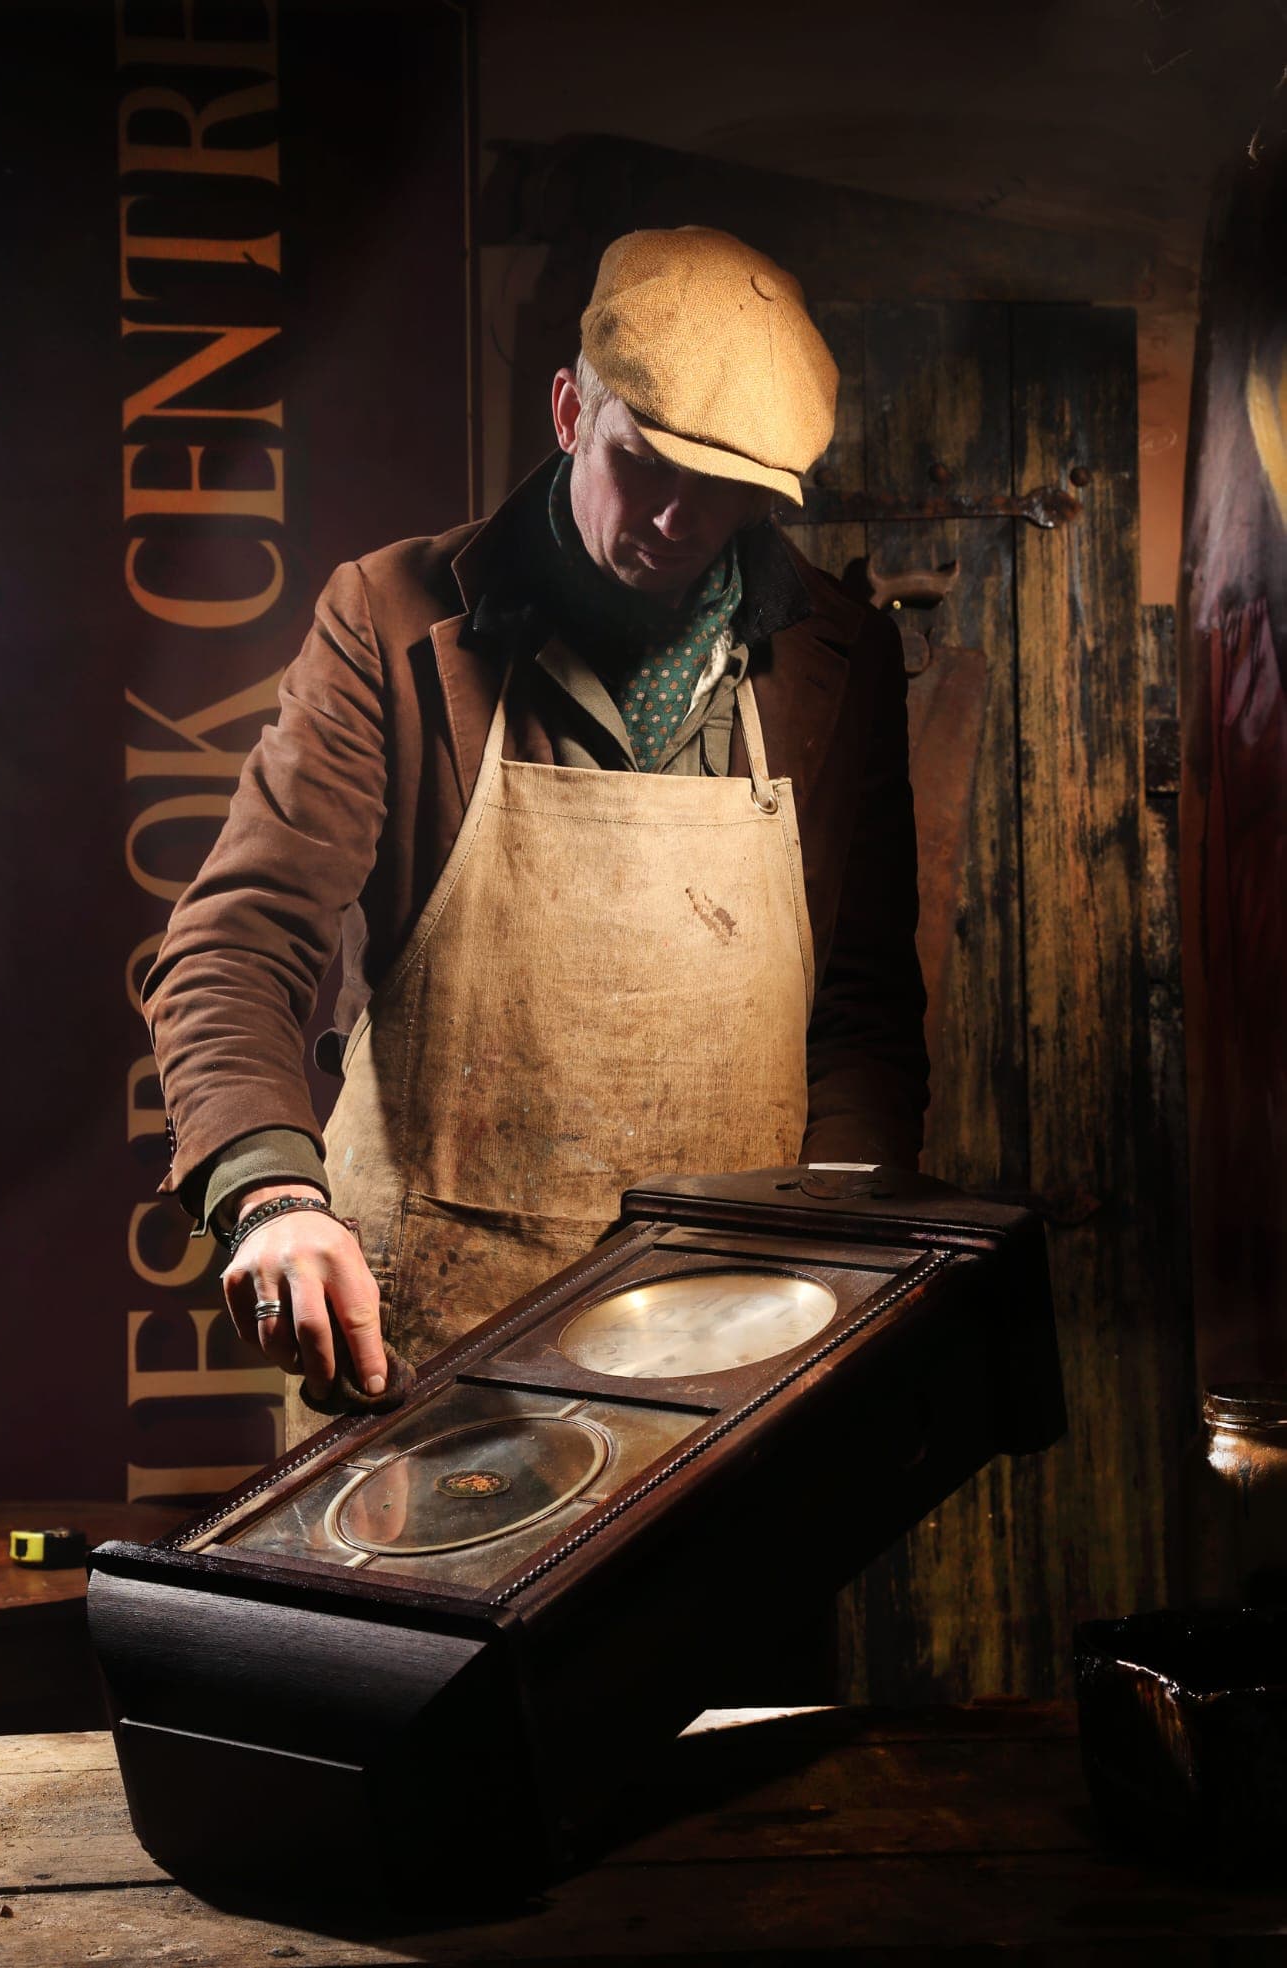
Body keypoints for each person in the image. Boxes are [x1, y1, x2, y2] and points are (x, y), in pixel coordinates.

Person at [143, 225, 928, 1441]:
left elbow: (864, 1005)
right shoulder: (394, 622)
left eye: (724, 492)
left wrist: (833, 1255)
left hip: (734, 1360)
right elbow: (240, 941)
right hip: (425, 1363)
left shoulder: (838, 658)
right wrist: (271, 1195)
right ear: (569, 411)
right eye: (642, 463)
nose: (676, 518)